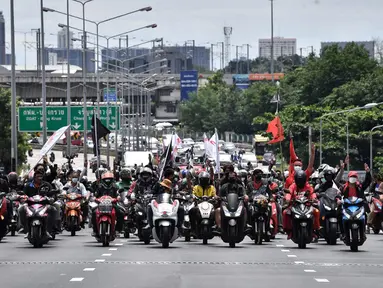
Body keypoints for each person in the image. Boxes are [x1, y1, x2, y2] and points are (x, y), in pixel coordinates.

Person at [283, 170, 320, 242]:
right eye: (299, 180)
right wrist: (287, 199)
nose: (300, 182)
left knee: (316, 211)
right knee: (285, 212)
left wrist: (314, 199)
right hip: (295, 205)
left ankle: (315, 230)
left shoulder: (308, 186)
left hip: (307, 206)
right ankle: (289, 231)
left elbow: (312, 193)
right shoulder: (293, 186)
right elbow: (289, 193)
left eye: (302, 180)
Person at [19, 164, 56, 238]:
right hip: (30, 205)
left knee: (53, 209)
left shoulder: (47, 185)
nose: (39, 178)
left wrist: (51, 198)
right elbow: (23, 193)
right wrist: (22, 197)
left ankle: (48, 230)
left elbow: (52, 194)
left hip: (43, 205)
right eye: (37, 176)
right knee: (21, 209)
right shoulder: (28, 185)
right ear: (34, 177)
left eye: (41, 176)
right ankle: (25, 228)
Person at [91, 171, 124, 237]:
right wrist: (94, 198)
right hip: (101, 204)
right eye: (106, 179)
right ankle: (95, 230)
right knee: (94, 213)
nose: (107, 181)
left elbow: (118, 194)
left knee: (121, 213)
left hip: (112, 204)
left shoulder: (115, 186)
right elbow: (95, 195)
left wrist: (118, 197)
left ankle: (118, 230)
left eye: (109, 179)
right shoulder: (99, 186)